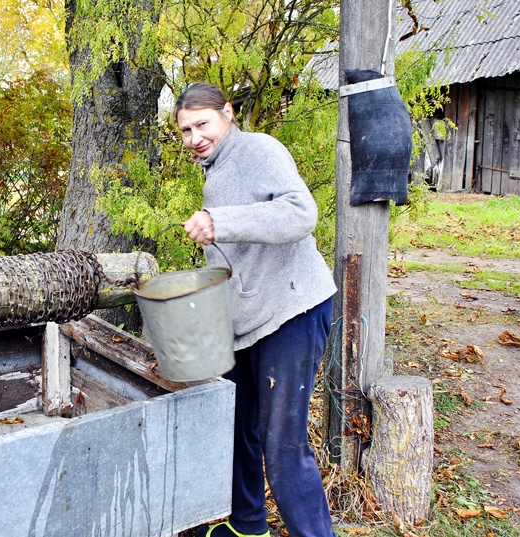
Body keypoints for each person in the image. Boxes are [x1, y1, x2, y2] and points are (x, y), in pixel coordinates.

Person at [175, 82, 337, 537]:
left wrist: (220, 221)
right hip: (247, 322)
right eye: (186, 130)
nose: (194, 137)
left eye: (202, 123)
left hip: (291, 310)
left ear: (227, 113)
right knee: (233, 425)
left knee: (282, 443)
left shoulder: (259, 150)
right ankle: (248, 527)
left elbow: (301, 213)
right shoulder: (214, 167)